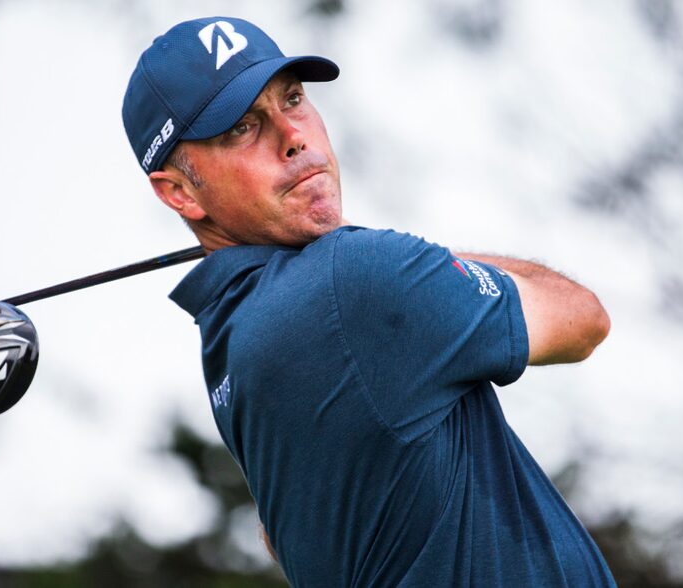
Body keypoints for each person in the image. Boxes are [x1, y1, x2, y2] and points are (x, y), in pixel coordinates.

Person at [122, 16, 616, 587]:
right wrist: (410, 260)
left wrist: (407, 265)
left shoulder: (229, 347)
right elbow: (583, 319)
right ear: (179, 192)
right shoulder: (359, 277)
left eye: (294, 98)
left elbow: (276, 540)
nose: (295, 137)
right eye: (242, 128)